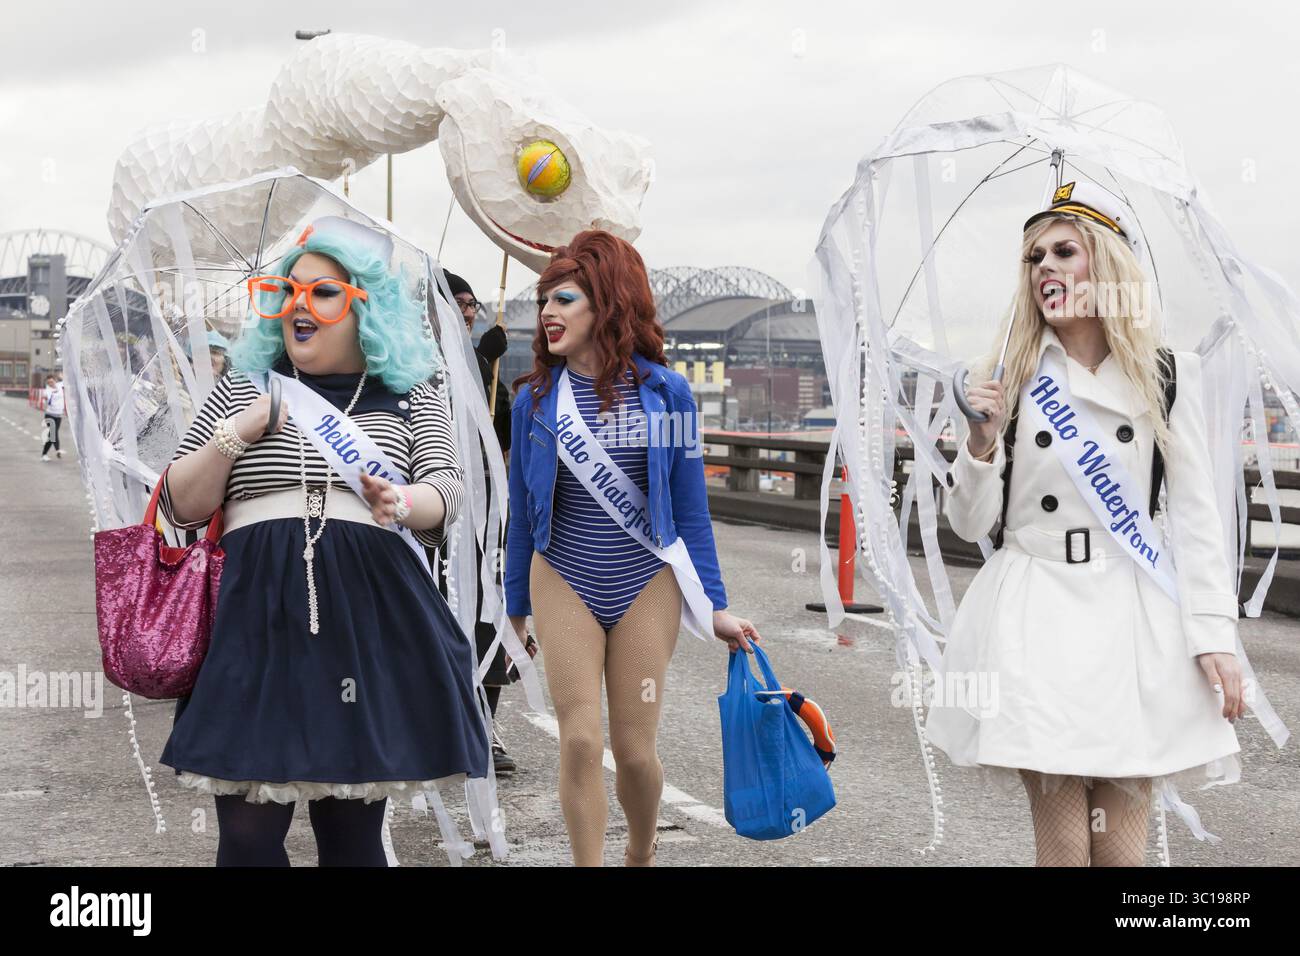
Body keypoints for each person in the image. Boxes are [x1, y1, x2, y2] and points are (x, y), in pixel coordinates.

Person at [927, 182, 1246, 867]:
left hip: (1131, 614)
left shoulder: (1168, 377)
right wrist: (979, 444)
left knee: (1121, 856)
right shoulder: (1003, 379)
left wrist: (1215, 634)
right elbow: (971, 523)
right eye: (1033, 257)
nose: (1045, 267)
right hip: (1036, 609)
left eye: (1063, 251)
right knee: (1066, 851)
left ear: (1105, 265)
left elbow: (1194, 516)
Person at [155, 216, 488, 866]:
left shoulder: (411, 389)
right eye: (288, 292)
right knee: (248, 841)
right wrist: (242, 430)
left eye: (323, 293)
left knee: (352, 840)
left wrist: (402, 501)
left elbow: (446, 493)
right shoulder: (245, 384)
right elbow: (180, 502)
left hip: (365, 625)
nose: (299, 308)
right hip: (255, 621)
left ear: (369, 305)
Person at [505, 229, 761, 866]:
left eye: (563, 299)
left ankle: (641, 852)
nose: (547, 314)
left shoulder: (667, 394)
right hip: (560, 574)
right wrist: (514, 607)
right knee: (580, 742)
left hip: (648, 580)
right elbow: (520, 513)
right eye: (545, 301)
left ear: (606, 305)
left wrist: (717, 608)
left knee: (636, 749)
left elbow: (691, 513)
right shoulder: (533, 400)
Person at [440, 271, 524, 775]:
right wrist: (481, 360)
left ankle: (484, 729)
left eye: (472, 303)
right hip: (439, 520)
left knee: (488, 619)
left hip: (489, 521)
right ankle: (437, 726)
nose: (468, 312)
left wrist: (492, 366)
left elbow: (504, 437)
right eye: (458, 302)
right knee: (442, 622)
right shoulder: (420, 365)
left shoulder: (486, 371)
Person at [40, 373, 65, 461]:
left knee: (53, 435)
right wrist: (46, 399)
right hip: (50, 415)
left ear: (55, 380)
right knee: (53, 434)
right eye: (48, 383)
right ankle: (52, 452)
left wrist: (62, 377)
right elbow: (47, 401)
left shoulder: (60, 385)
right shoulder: (47, 391)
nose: (50, 384)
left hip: (58, 415)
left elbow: (67, 381)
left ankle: (48, 453)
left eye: (51, 382)